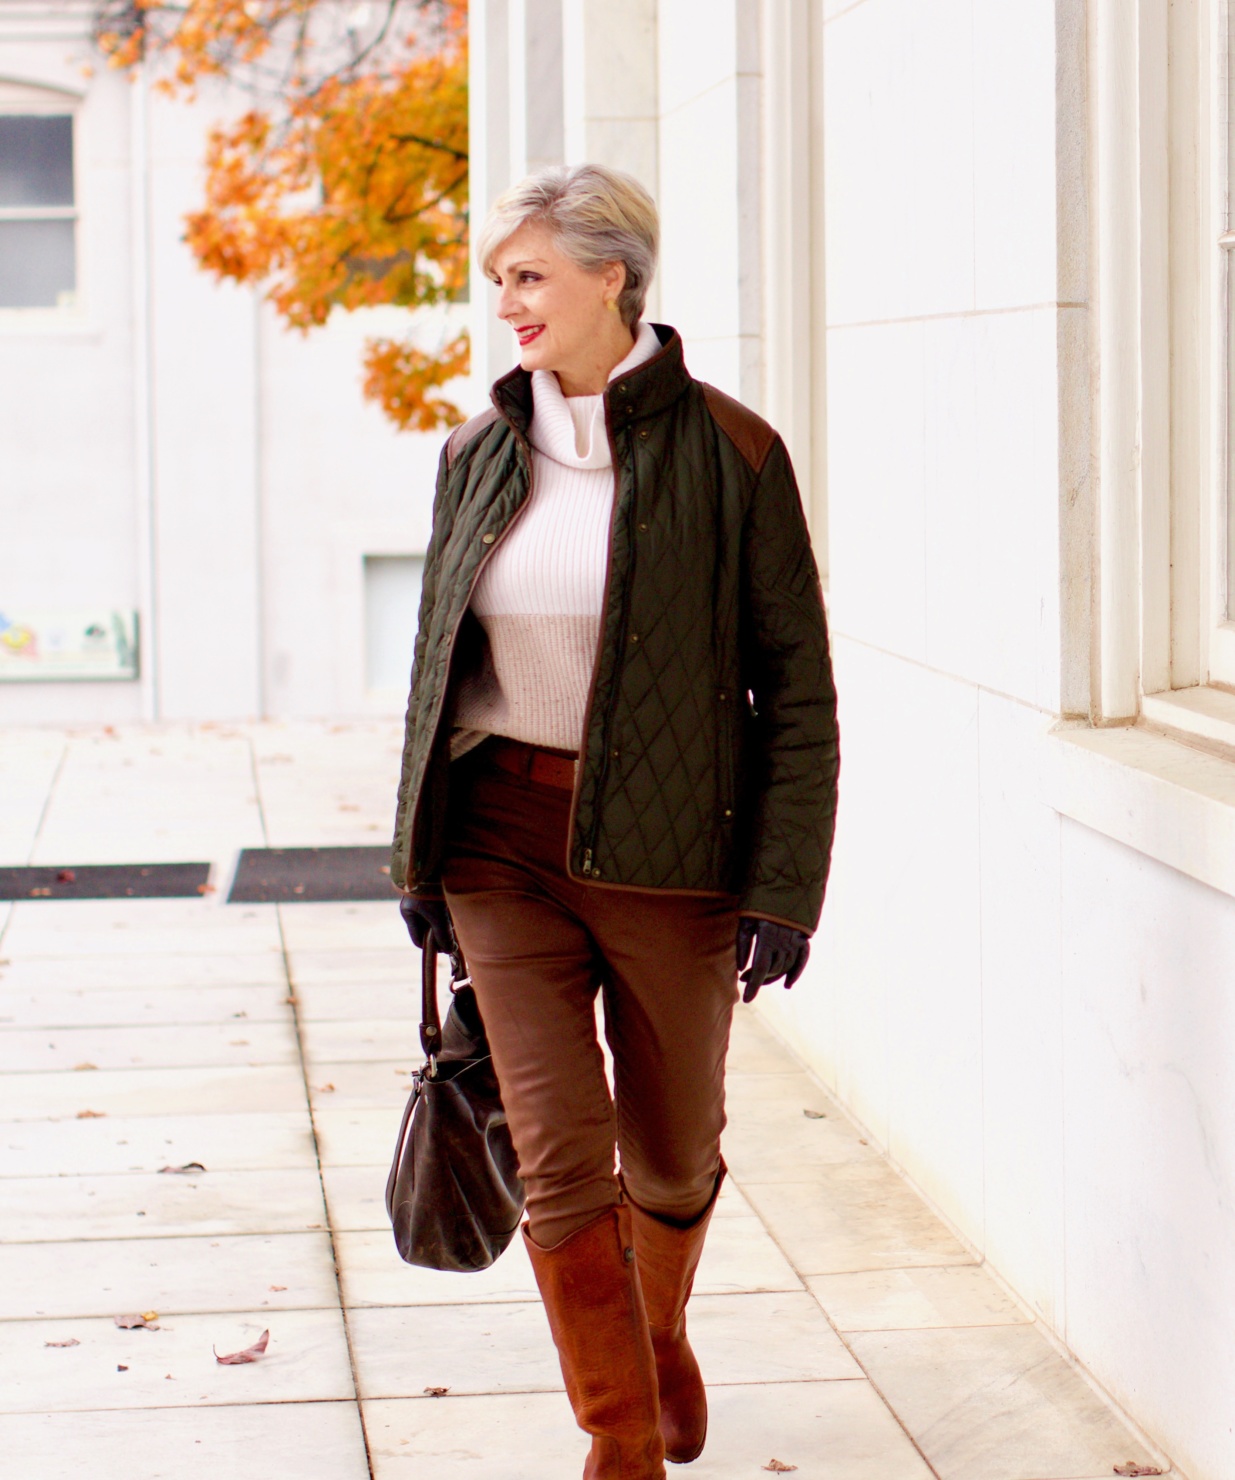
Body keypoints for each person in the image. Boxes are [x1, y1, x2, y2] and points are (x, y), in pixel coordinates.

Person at [391, 163, 838, 1479]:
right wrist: (417, 855)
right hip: (500, 842)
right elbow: (431, 668)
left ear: (612, 277)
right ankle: (622, 1436)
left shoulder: (735, 453)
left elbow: (796, 688)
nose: (508, 305)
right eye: (500, 282)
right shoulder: (474, 455)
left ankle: (655, 1335)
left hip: (674, 854)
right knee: (555, 1147)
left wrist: (783, 883)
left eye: (529, 277)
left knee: (672, 1146)